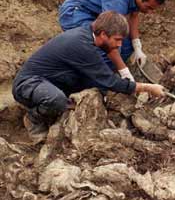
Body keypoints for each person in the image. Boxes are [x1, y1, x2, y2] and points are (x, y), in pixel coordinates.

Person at [12, 11, 165, 142]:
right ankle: (33, 119)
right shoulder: (81, 45)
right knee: (56, 100)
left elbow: (101, 79)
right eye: (117, 40)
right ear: (104, 34)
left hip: (51, 81)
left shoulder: (88, 37)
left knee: (94, 84)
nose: (119, 45)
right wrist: (147, 88)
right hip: (28, 84)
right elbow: (109, 80)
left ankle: (57, 108)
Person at [58, 0, 166, 80]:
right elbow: (110, 41)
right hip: (75, 13)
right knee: (104, 45)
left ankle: (107, 73)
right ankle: (88, 78)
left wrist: (137, 47)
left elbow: (134, 15)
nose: (149, 12)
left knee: (127, 46)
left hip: (97, 13)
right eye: (148, 8)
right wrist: (124, 71)